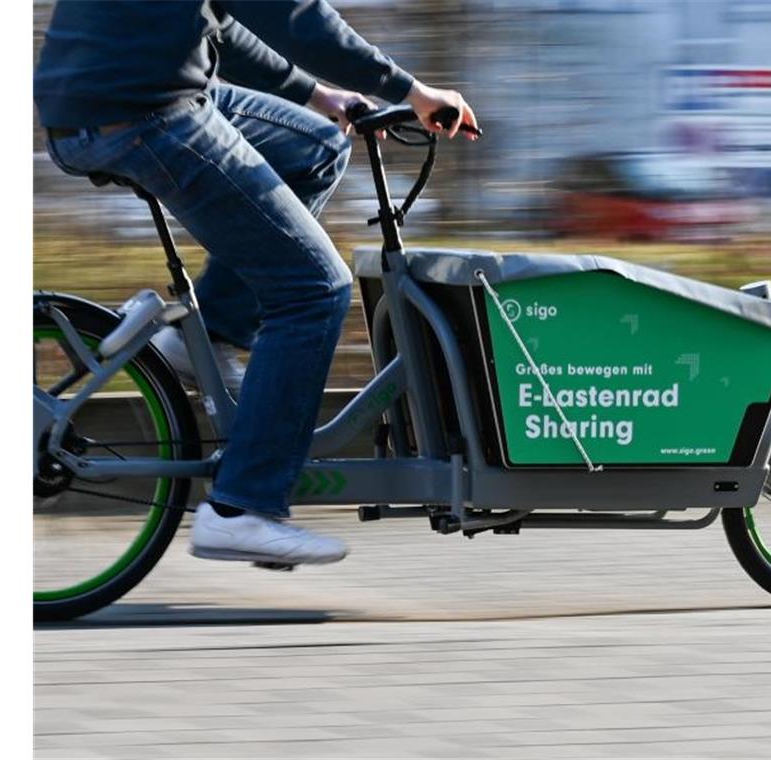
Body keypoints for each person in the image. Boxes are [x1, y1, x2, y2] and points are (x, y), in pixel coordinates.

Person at [34, 0, 478, 566]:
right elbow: (294, 17)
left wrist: (319, 96)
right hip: (142, 113)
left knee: (317, 145)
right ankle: (243, 507)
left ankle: (210, 335)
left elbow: (223, 25)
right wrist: (412, 90)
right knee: (315, 289)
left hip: (113, 97)